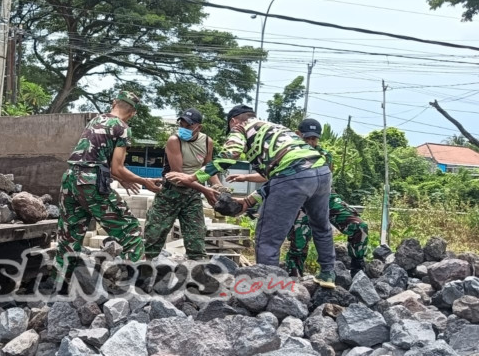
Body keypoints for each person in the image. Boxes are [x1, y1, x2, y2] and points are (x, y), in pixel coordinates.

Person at [166, 105, 337, 289]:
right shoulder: (277, 128)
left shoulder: (240, 128)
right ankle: (328, 274)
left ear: (233, 121)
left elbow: (230, 155)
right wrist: (247, 201)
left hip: (293, 177)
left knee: (267, 239)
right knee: (321, 226)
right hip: (321, 173)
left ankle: (269, 289)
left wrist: (192, 177)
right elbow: (279, 178)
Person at [227, 118, 369, 277]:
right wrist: (249, 189)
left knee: (359, 226)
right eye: (307, 138)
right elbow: (276, 181)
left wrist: (248, 187)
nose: (310, 142)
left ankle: (357, 268)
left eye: (314, 139)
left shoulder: (323, 156)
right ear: (297, 135)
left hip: (323, 196)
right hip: (295, 198)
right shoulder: (287, 150)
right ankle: (295, 278)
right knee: (300, 238)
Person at [55, 91, 161, 278]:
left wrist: (121, 177)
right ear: (133, 113)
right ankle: (137, 287)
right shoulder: (122, 128)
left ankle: (60, 285)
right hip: (91, 182)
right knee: (130, 229)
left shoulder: (96, 120)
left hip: (70, 178)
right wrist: (145, 181)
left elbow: (97, 159)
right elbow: (117, 168)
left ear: (114, 103)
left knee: (69, 237)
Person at [144, 108, 223, 261]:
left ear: (198, 127)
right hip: (170, 193)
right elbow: (179, 176)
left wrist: (219, 188)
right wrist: (205, 190)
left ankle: (196, 273)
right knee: (154, 235)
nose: (183, 129)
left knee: (196, 238)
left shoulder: (207, 142)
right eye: (182, 125)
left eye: (188, 126)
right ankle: (147, 271)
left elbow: (209, 169)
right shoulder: (174, 140)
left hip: (192, 195)